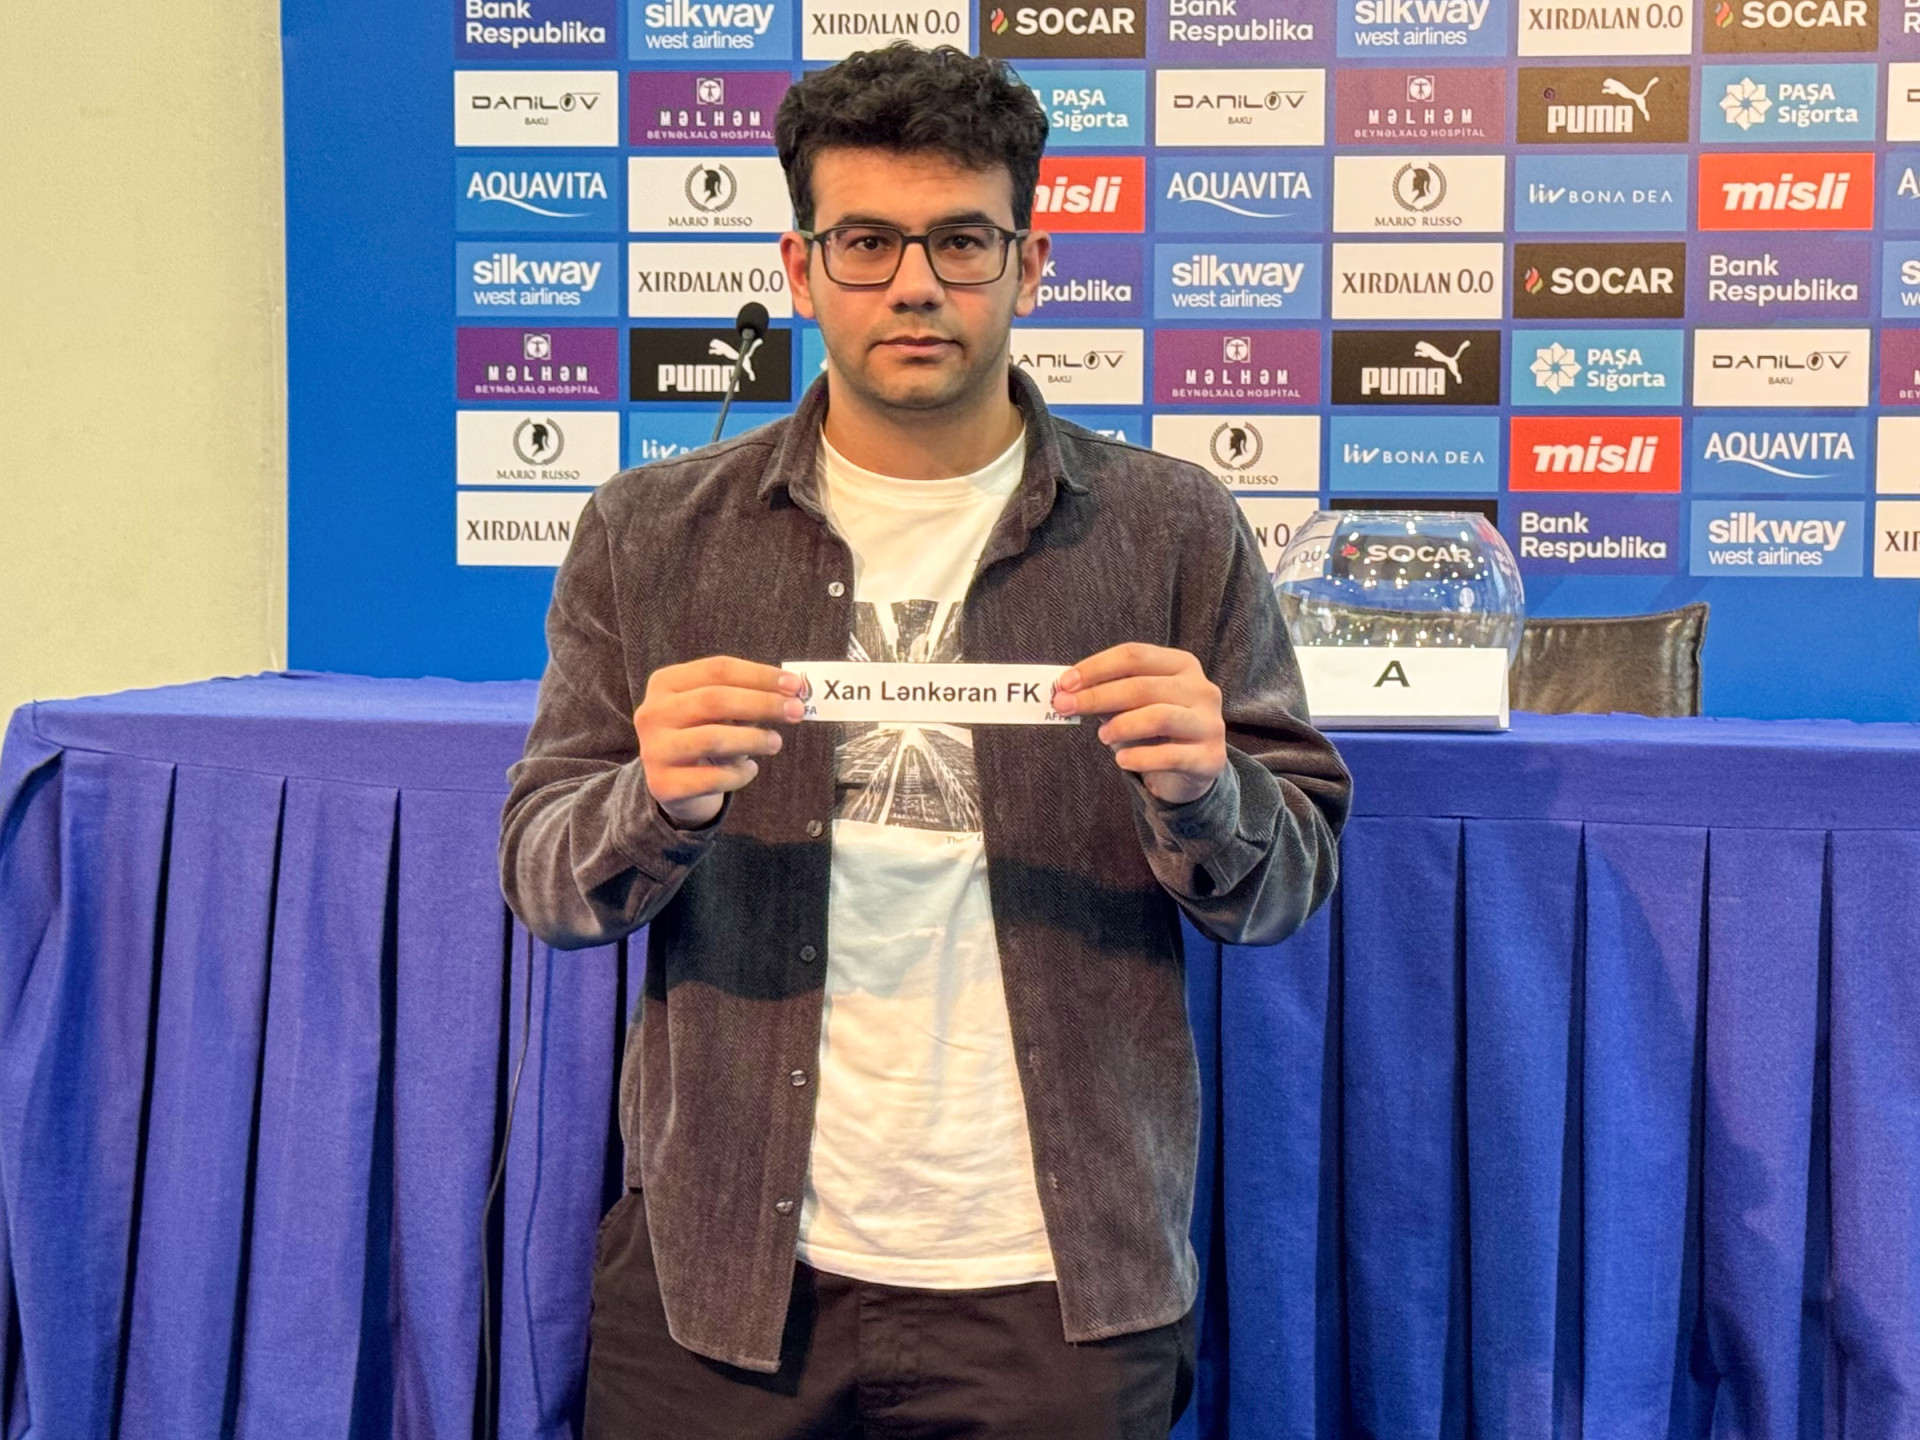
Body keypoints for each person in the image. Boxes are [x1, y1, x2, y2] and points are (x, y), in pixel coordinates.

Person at [499, 42, 1351, 1440]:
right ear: (802, 267)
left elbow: (1284, 890)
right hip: (722, 1276)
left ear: (1029, 264)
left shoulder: (1173, 528)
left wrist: (1213, 796)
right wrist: (651, 803)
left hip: (1058, 1287)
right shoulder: (650, 534)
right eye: (868, 242)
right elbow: (547, 883)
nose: (914, 284)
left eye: (961, 240)